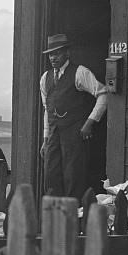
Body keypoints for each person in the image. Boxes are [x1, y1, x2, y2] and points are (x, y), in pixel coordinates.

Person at [39, 33, 108, 199]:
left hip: (74, 134)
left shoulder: (80, 72)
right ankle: (55, 212)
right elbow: (47, 109)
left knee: (73, 175)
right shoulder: (45, 78)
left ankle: (74, 212)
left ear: (67, 53)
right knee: (51, 175)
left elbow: (103, 94)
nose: (53, 57)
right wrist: (46, 138)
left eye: (57, 53)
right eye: (51, 54)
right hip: (54, 134)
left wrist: (90, 122)